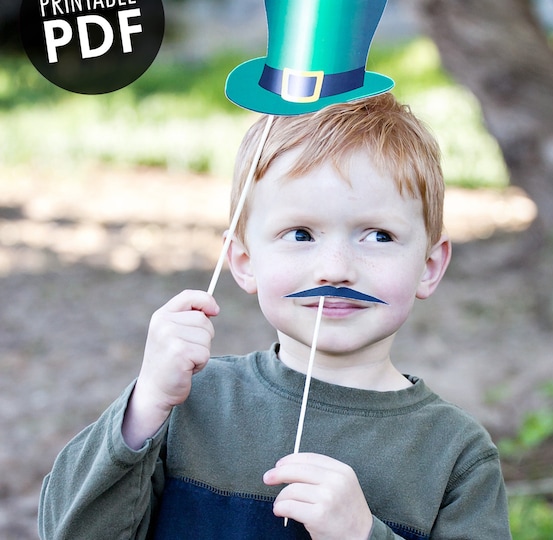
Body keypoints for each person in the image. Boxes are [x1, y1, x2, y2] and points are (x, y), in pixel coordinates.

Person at [38, 93, 511, 539]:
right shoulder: (190, 403)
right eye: (301, 234)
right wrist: (145, 407)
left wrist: (362, 533)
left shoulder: (455, 455)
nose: (335, 270)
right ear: (244, 261)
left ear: (429, 266)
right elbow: (66, 529)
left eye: (378, 235)